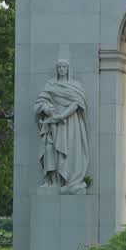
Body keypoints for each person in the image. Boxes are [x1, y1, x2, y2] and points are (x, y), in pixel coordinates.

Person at [35, 56, 89, 194]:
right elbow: (40, 101)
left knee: (67, 151)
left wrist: (62, 115)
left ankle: (69, 181)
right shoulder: (50, 85)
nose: (61, 69)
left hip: (70, 124)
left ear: (68, 69)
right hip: (52, 124)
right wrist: (46, 109)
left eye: (64, 67)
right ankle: (52, 181)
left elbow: (78, 103)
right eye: (59, 67)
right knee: (50, 150)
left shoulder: (75, 86)